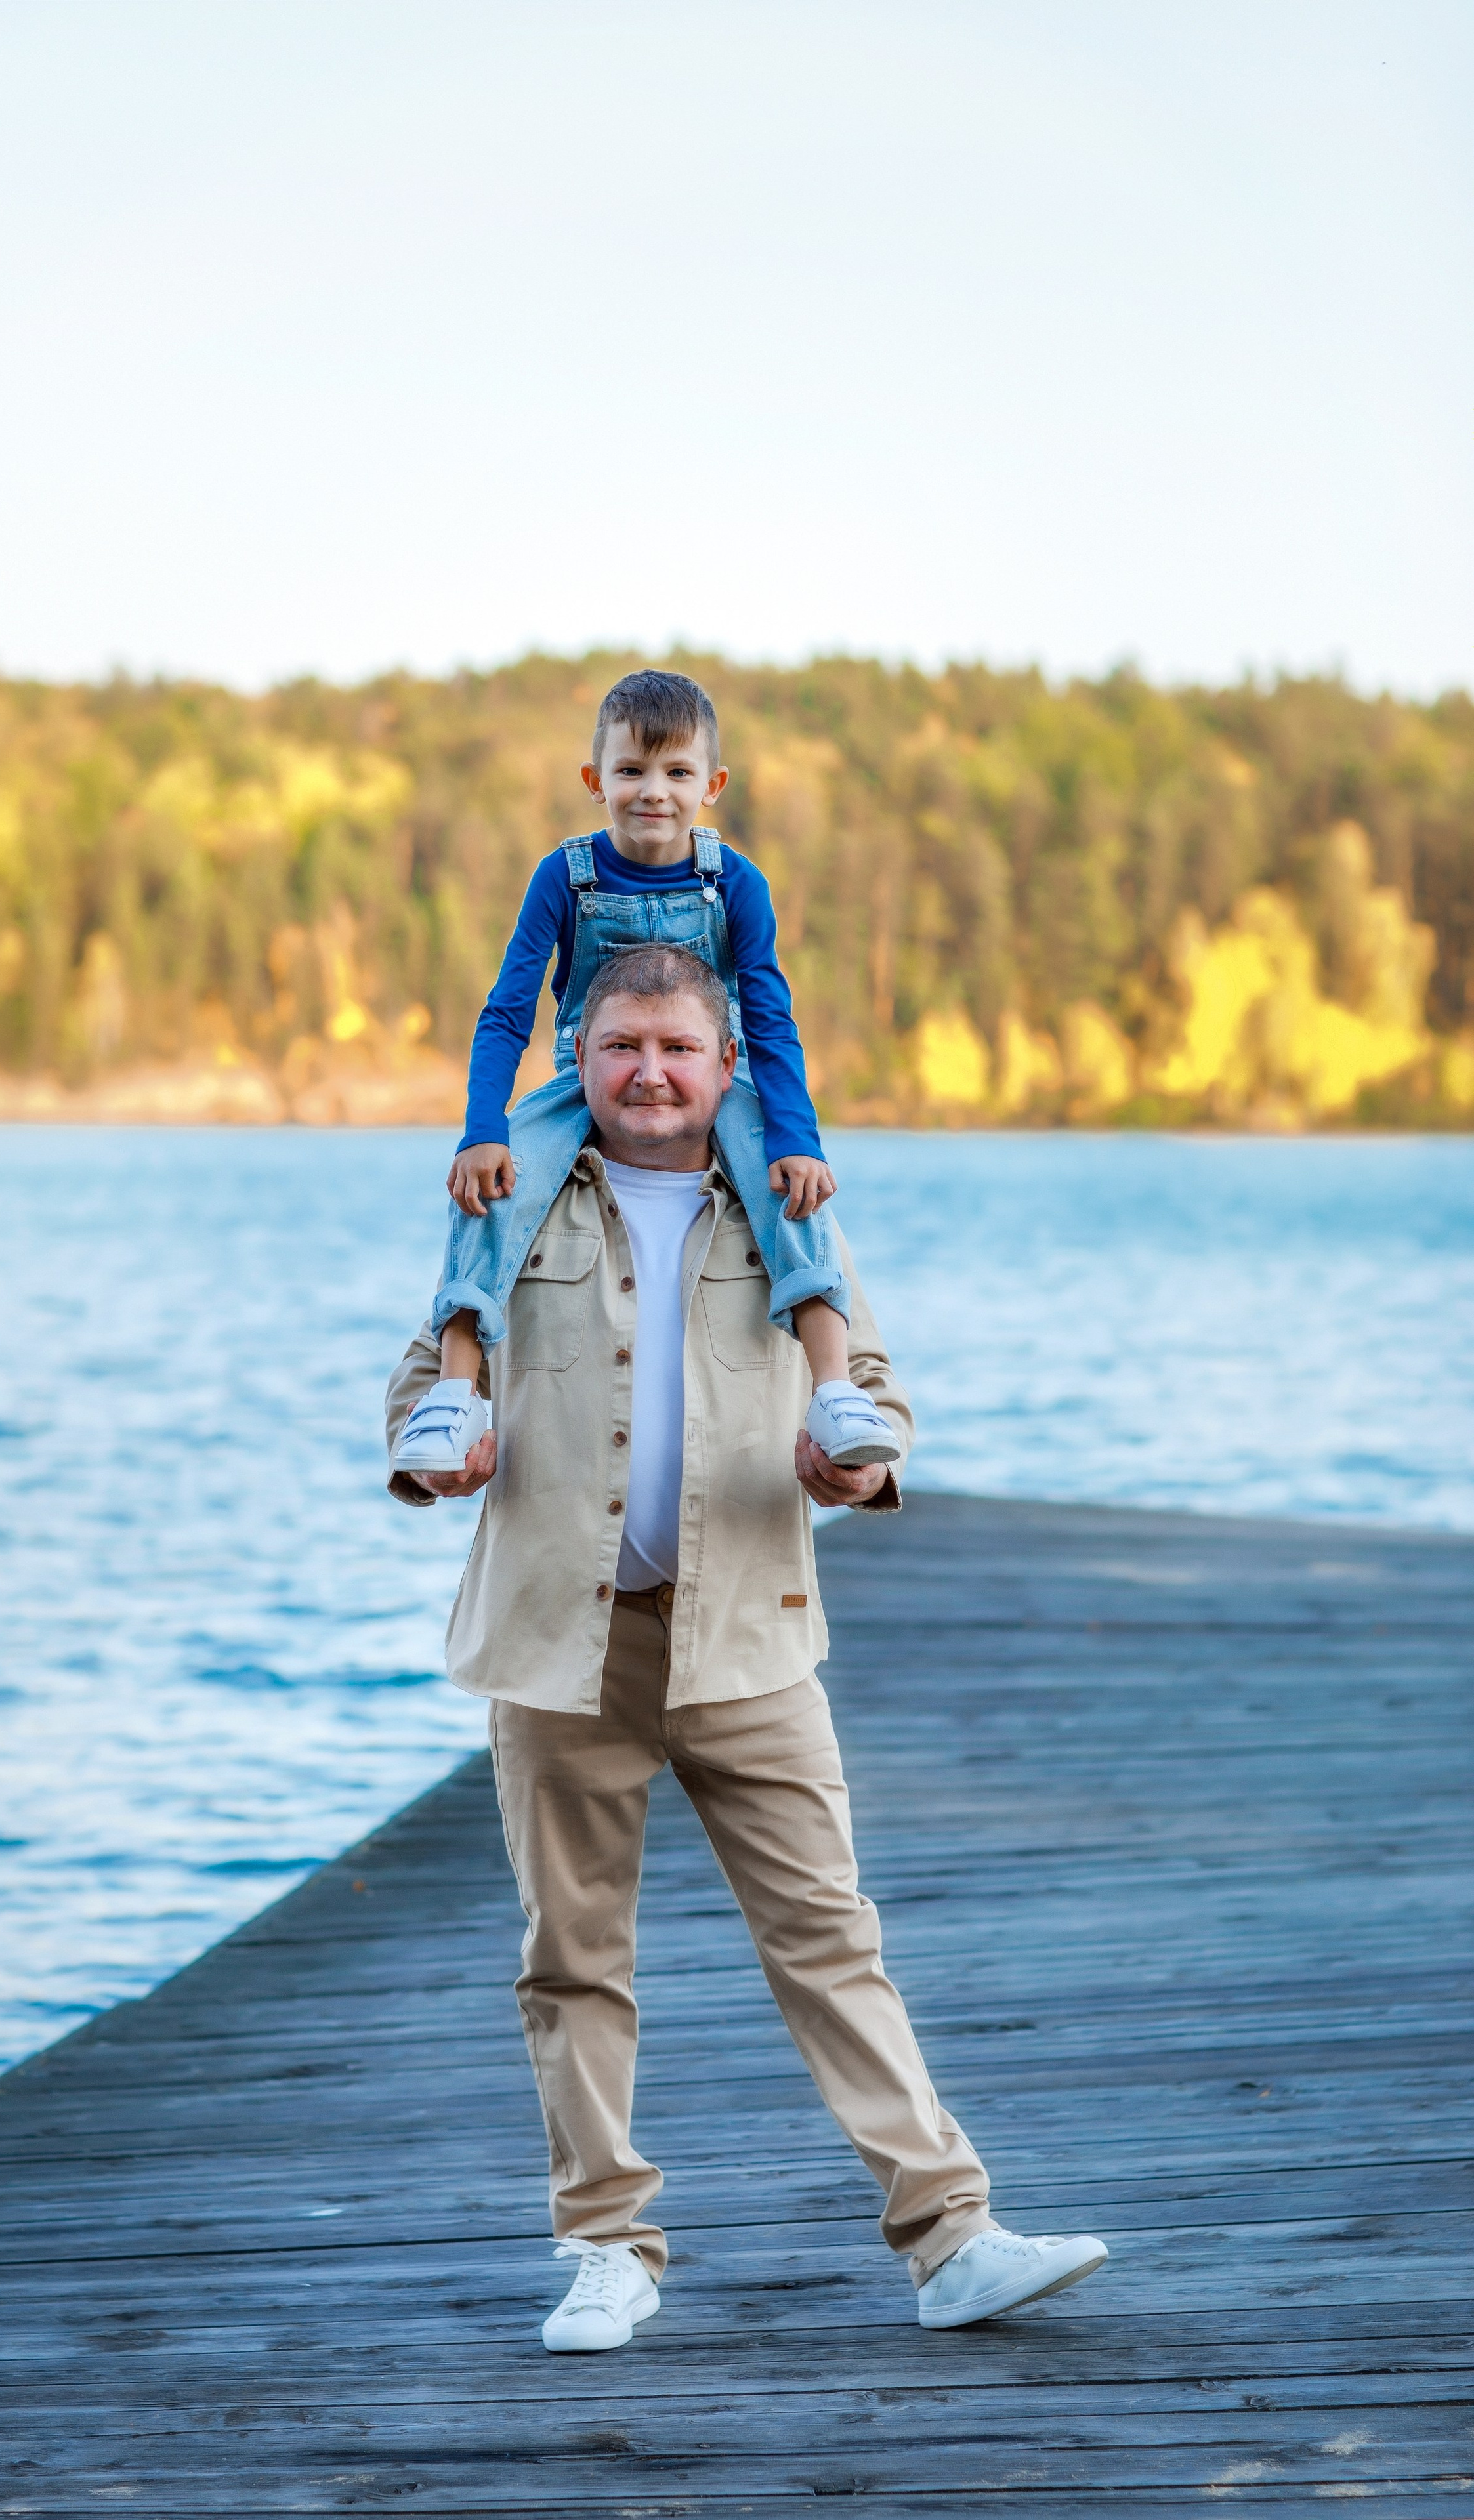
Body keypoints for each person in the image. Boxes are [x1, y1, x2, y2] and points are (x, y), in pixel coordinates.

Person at [385, 942, 1108, 2349]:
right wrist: (436, 1456)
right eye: (616, 1049)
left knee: (830, 1937)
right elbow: (425, 1378)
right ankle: (604, 2248)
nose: (647, 1073)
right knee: (571, 1957)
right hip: (556, 1643)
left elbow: (871, 1384)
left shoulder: (787, 1210)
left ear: (726, 1068)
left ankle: (949, 2238)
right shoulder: (512, 1203)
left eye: (675, 1049)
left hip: (749, 1636)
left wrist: (863, 1459)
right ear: (575, 1066)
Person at [387, 667, 901, 1484]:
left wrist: (797, 1139)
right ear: (595, 781)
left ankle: (835, 1390)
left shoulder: (735, 882)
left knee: (788, 1192)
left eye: (676, 773)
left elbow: (768, 1017)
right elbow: (506, 1012)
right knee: (495, 1183)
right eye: (630, 771)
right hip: (583, 1076)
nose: (652, 792)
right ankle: (453, 1396)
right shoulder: (565, 877)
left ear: (712, 784)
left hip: (717, 1083)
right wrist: (483, 1128)